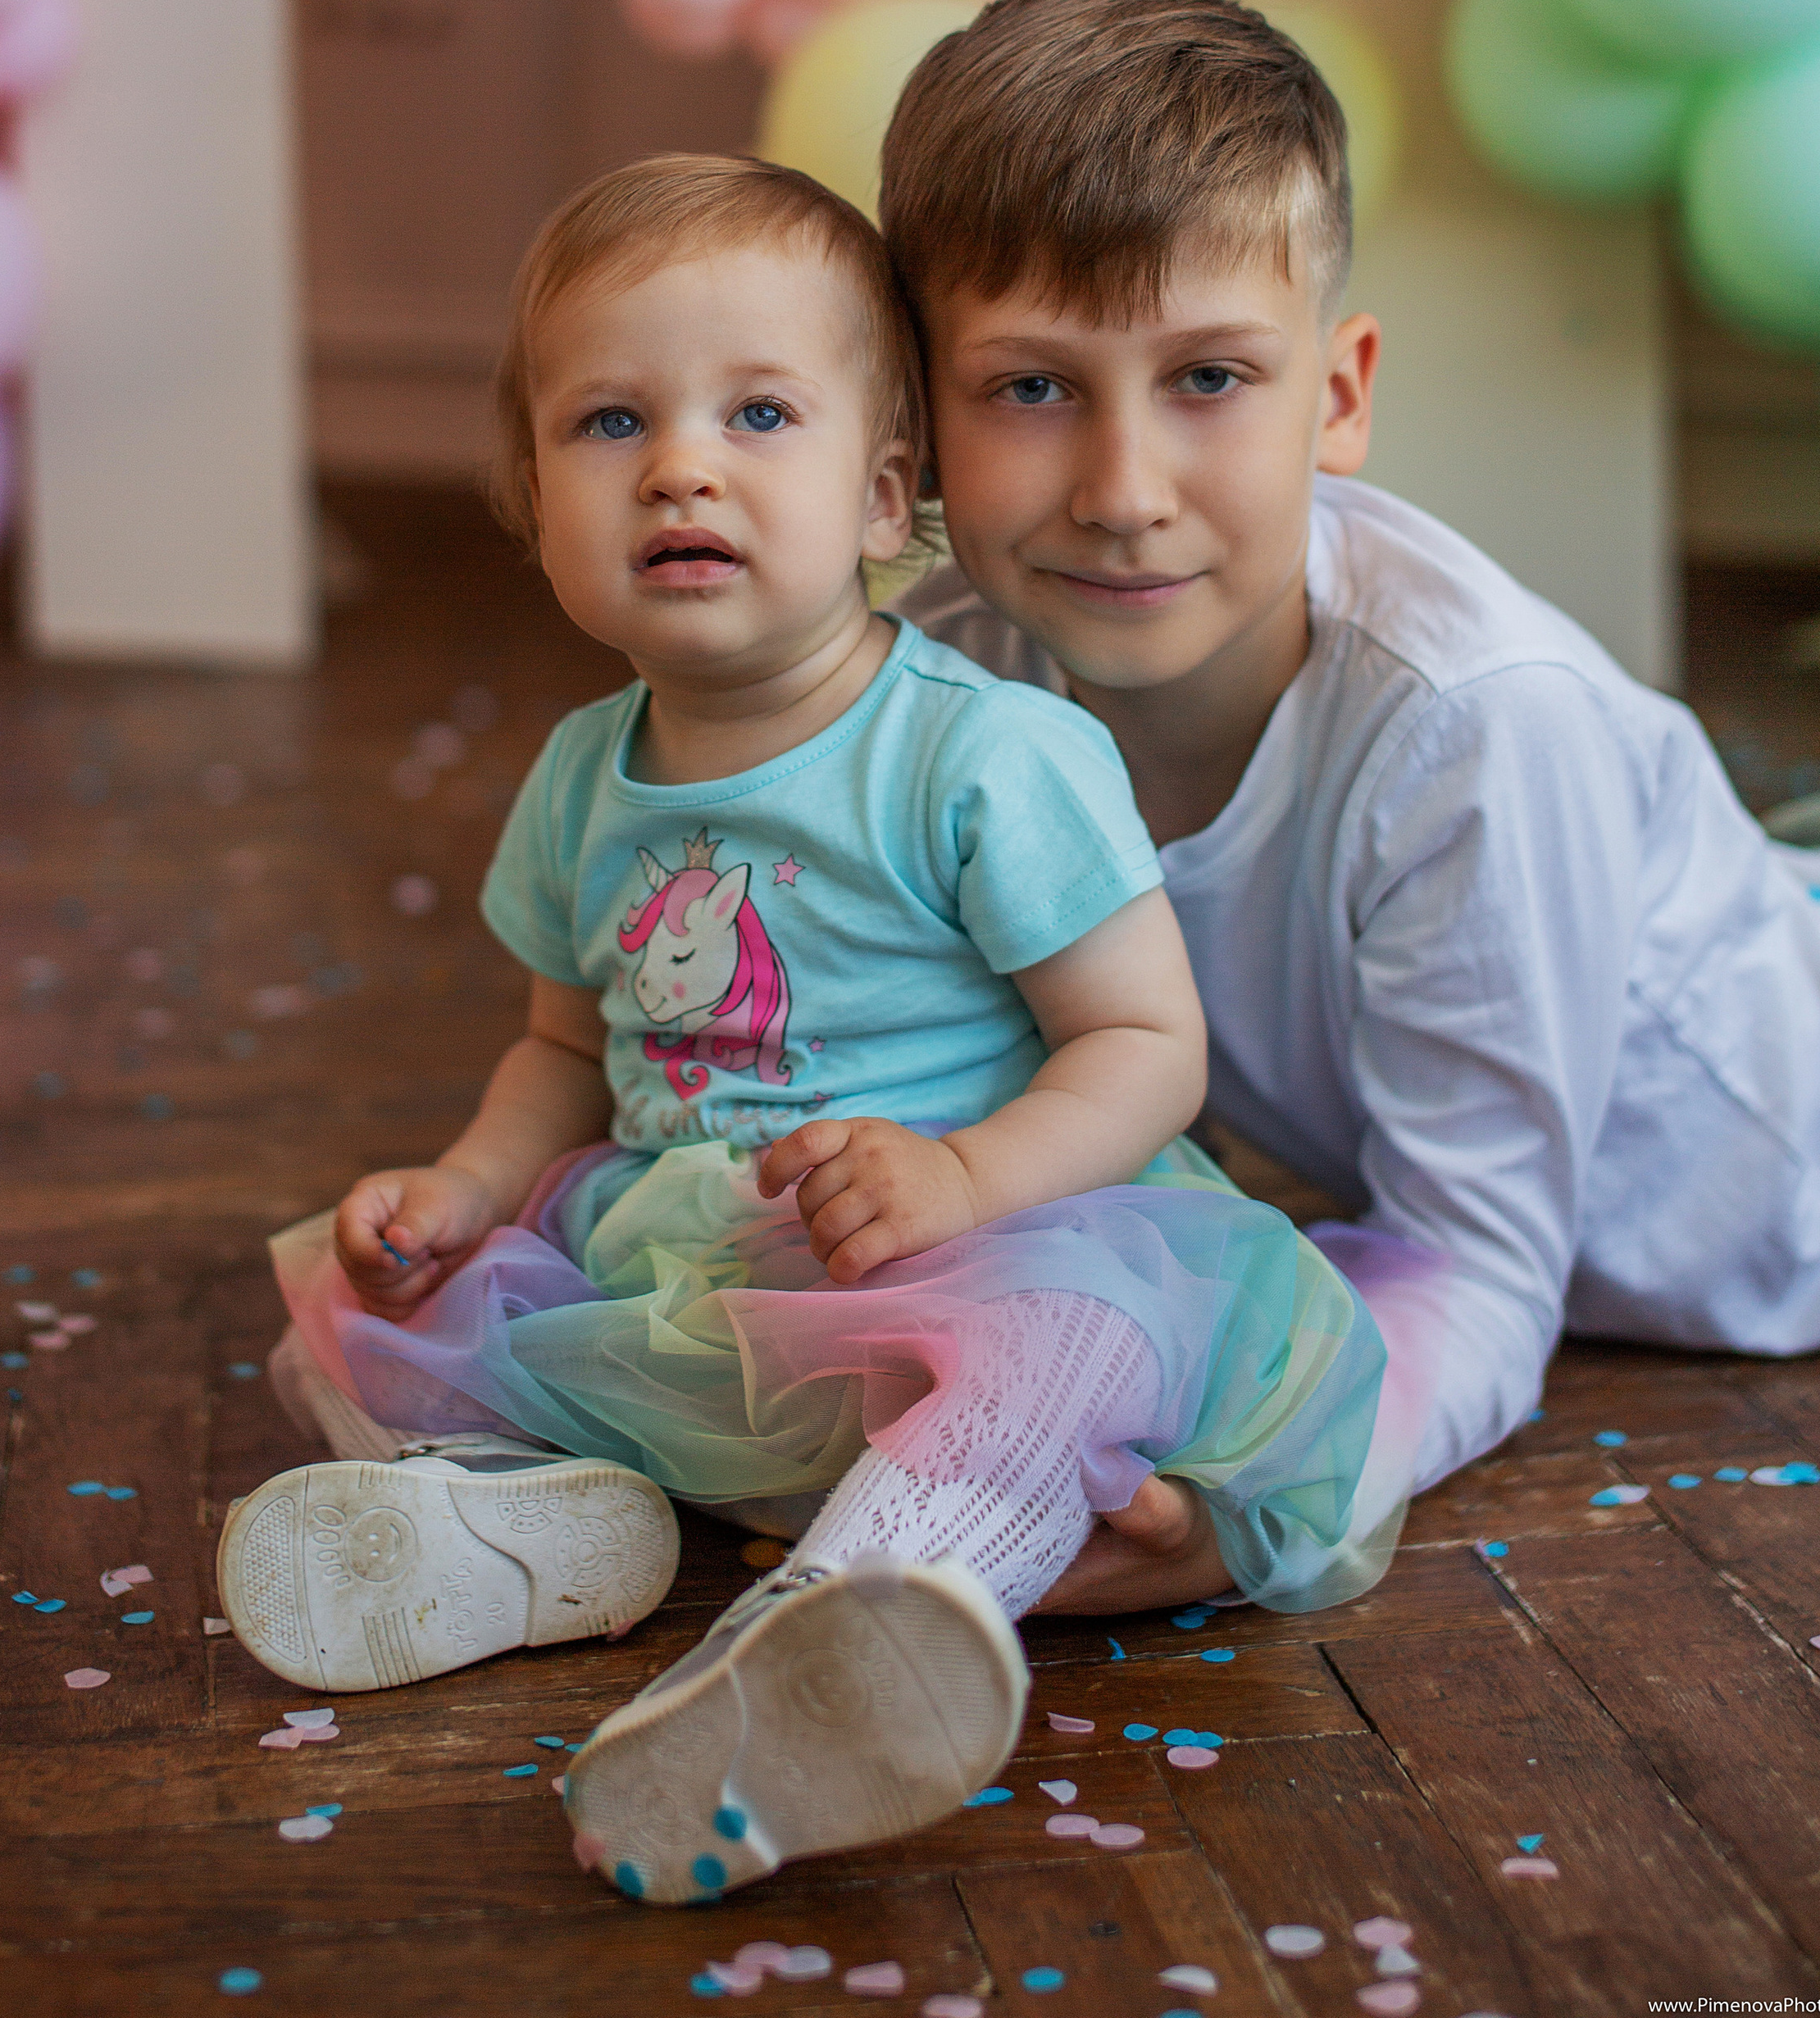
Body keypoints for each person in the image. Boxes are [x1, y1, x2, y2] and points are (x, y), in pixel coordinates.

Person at [218, 152, 1412, 1907]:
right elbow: (565, 1050)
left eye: (756, 413)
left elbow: (1145, 1047)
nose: (680, 464)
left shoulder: (973, 753)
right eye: (609, 422)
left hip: (986, 1241)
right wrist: (468, 1188)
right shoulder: (577, 780)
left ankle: (841, 1632)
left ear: (881, 496)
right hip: (692, 1277)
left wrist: (959, 1174)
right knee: (342, 1306)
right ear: (531, 495)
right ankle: (534, 1537)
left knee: (1060, 1345)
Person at [880, 0, 1820, 1617]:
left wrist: (1264, 1488)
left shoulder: (1468, 732)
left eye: (1207, 380)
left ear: (1334, 396)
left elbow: (1473, 1271)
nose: (1122, 496)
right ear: (915, 409)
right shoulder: (941, 684)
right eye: (1030, 388)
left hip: (1808, 1175)